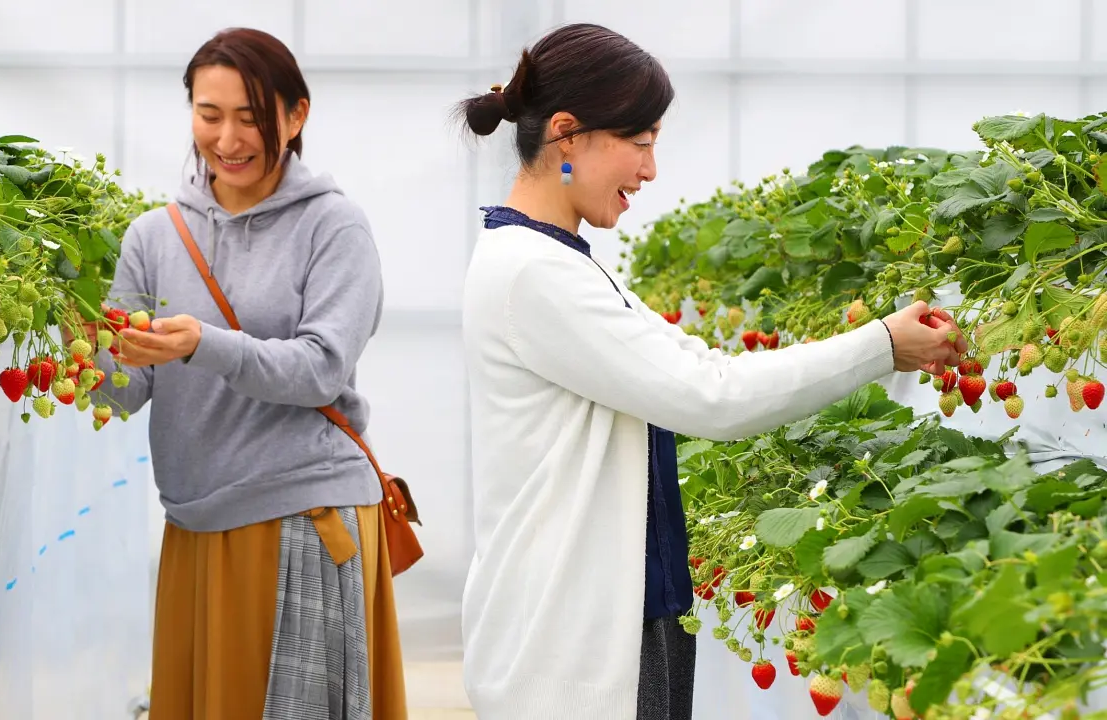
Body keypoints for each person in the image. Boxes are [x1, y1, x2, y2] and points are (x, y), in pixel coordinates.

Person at [455, 23, 967, 720]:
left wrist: (872, 340)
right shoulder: (532, 271)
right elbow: (710, 396)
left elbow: (695, 364)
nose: (650, 170)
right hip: (567, 650)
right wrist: (880, 345)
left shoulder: (558, 258)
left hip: (617, 615)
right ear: (568, 135)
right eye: (640, 142)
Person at [77, 27, 406, 720]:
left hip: (301, 514)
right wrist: (80, 345)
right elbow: (125, 390)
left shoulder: (333, 227)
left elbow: (321, 369)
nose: (227, 139)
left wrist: (205, 343)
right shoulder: (154, 235)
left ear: (296, 115)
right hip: (194, 523)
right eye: (209, 114)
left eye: (251, 117)